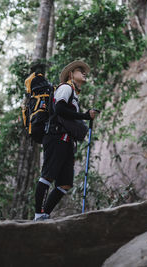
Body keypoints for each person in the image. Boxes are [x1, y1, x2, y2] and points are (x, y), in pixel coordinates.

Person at [34, 60, 98, 221]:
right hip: (56, 137)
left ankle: (45, 214)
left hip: (66, 141)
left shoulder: (74, 94)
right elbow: (60, 109)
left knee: (65, 184)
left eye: (84, 71)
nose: (84, 73)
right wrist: (84, 115)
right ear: (71, 75)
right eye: (80, 70)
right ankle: (38, 215)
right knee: (48, 176)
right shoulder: (65, 88)